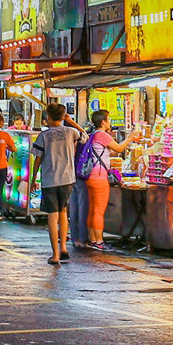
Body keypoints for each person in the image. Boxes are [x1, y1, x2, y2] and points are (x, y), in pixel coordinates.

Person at [26, 103, 81, 264]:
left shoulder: (44, 136)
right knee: (63, 212)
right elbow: (84, 135)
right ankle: (63, 247)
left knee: (52, 215)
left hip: (50, 180)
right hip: (68, 179)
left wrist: (33, 179)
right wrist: (71, 122)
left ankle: (55, 254)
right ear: (63, 117)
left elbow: (37, 159)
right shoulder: (71, 132)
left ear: (48, 118)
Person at [78, 107, 125, 250]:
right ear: (103, 122)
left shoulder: (93, 135)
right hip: (99, 177)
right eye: (109, 120)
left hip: (91, 176)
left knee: (93, 209)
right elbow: (119, 148)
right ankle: (99, 241)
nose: (110, 122)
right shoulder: (103, 135)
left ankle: (93, 239)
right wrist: (131, 137)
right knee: (99, 211)